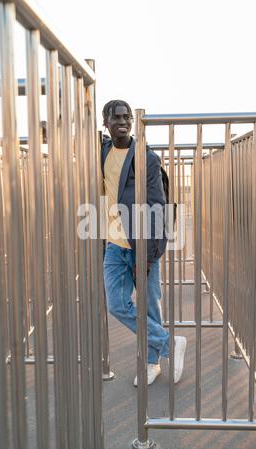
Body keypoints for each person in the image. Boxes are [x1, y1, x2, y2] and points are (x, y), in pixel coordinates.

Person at [101, 99, 186, 386]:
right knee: (117, 304)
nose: (123, 122)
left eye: (127, 117)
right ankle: (168, 344)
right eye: (117, 117)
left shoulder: (146, 158)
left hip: (141, 246)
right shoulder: (102, 151)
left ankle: (152, 364)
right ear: (106, 123)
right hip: (114, 244)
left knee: (150, 307)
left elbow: (157, 208)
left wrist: (148, 257)